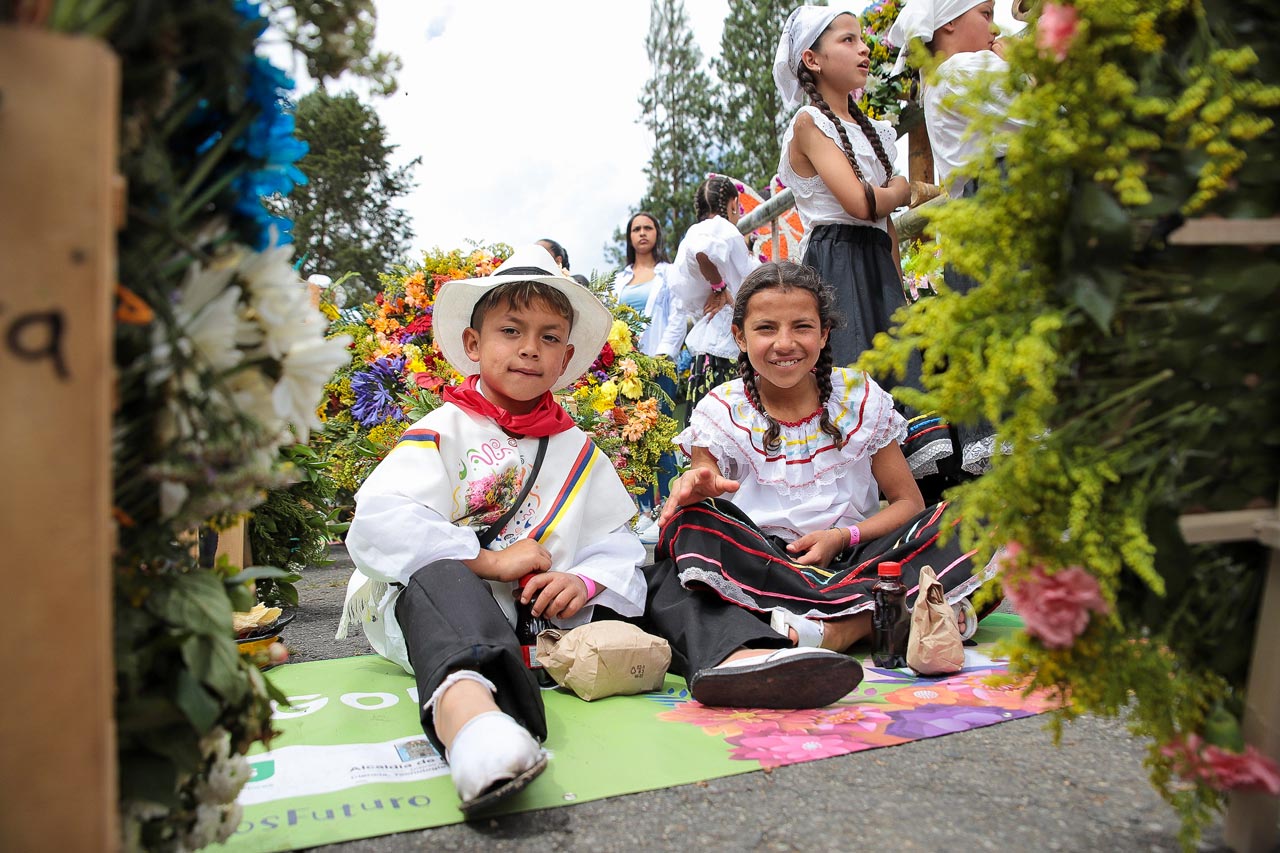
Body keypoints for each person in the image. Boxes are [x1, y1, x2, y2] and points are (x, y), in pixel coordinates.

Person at [336, 245, 859, 816]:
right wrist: (486, 563)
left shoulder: (577, 448)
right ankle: (474, 725)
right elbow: (379, 524)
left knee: (664, 574)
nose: (530, 348)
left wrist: (584, 582)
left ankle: (738, 660)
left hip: (546, 619)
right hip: (452, 613)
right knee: (434, 576)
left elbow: (612, 540)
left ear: (565, 359)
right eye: (511, 330)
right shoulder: (442, 429)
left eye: (550, 336)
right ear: (472, 345)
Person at [656, 261, 998, 651]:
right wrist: (699, 484)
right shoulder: (719, 409)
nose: (785, 343)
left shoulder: (859, 396)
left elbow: (908, 503)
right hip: (766, 566)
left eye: (801, 326)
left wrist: (841, 537)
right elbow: (703, 477)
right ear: (739, 337)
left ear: (824, 334)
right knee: (691, 524)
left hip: (859, 560)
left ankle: (838, 628)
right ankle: (885, 617)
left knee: (976, 519)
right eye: (766, 328)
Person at [772, 7, 956, 485]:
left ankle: (917, 494)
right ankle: (854, 496)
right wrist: (906, 189)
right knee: (854, 374)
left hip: (875, 263)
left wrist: (896, 280)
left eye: (861, 39)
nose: (863, 50)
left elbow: (882, 225)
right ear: (811, 58)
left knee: (902, 369)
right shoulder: (810, 124)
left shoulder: (868, 128)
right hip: (837, 263)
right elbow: (861, 203)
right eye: (849, 40)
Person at [887, 0, 1030, 479]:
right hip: (1005, 209)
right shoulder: (963, 70)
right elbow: (1052, 112)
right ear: (949, 22)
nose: (995, 26)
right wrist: (1020, 60)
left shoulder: (950, 76)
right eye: (985, 14)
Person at [613, 212, 681, 544]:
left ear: (657, 234)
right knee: (631, 438)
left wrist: (664, 354)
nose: (642, 233)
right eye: (636, 229)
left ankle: (668, 510)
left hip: (658, 367)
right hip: (627, 371)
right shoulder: (619, 279)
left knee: (661, 437)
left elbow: (679, 314)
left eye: (648, 228)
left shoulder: (668, 274)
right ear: (629, 237)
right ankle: (640, 512)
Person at [669, 174, 761, 416]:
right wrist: (719, 287)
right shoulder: (717, 226)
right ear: (733, 203)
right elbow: (702, 252)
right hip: (724, 342)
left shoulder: (705, 230)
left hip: (721, 339)